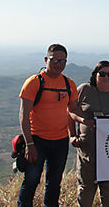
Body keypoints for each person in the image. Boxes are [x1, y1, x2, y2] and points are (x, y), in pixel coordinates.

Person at [17, 43, 80, 207]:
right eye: (55, 60)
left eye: (63, 61)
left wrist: (89, 120)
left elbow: (73, 109)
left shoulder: (69, 84)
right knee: (31, 181)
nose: (59, 64)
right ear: (46, 59)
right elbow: (24, 115)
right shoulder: (34, 82)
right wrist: (29, 143)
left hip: (60, 141)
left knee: (54, 184)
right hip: (37, 140)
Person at [69, 60, 109, 207]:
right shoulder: (84, 90)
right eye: (102, 74)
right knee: (85, 190)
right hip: (88, 152)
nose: (106, 77)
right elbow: (70, 112)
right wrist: (72, 135)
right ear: (95, 75)